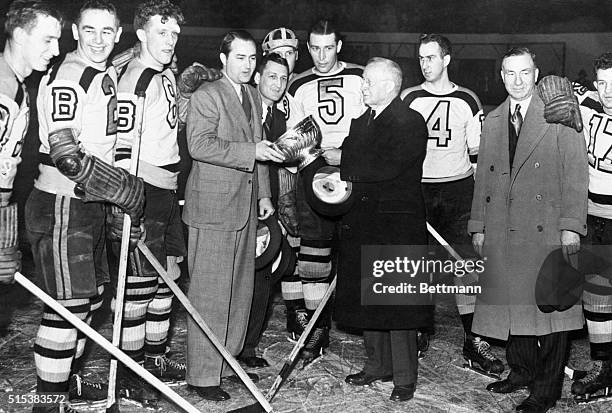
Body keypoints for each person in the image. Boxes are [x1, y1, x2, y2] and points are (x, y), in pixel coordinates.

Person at [26, 0, 145, 411]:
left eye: (107, 32)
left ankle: (67, 385)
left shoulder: (104, 71)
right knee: (68, 308)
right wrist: (119, 188)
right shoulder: (67, 74)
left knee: (91, 300)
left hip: (89, 204)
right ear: (75, 32)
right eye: (89, 31)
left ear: (118, 34)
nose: (99, 40)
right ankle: (47, 402)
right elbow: (67, 154)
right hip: (63, 201)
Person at [468, 47, 587, 412]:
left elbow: (575, 173)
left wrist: (571, 227)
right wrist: (478, 225)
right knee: (511, 303)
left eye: (524, 73)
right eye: (509, 73)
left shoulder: (558, 112)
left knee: (550, 313)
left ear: (536, 74)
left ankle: (546, 389)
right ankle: (521, 371)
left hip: (546, 228)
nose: (517, 81)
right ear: (500, 75)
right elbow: (482, 181)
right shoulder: (494, 118)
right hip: (504, 229)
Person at [183, 29, 284, 402]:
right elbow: (199, 145)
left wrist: (265, 195)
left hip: (245, 206)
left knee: (239, 292)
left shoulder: (252, 97)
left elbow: (261, 147)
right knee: (210, 294)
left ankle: (226, 365)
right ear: (223, 58)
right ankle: (202, 375)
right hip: (212, 207)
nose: (247, 65)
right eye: (240, 57)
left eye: (252, 58)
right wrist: (251, 152)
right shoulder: (208, 95)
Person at [326, 57, 431, 402]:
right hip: (364, 221)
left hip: (396, 224)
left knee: (399, 302)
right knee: (369, 297)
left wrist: (344, 161)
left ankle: (404, 377)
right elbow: (360, 164)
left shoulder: (410, 121)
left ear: (389, 86)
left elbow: (386, 166)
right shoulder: (361, 122)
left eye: (369, 82)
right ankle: (376, 365)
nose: (363, 86)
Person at [401, 33, 503, 375]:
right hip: (419, 191)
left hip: (458, 190)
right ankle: (416, 330)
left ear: (446, 59)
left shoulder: (467, 98)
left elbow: (477, 155)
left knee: (466, 268)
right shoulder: (409, 97)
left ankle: (474, 341)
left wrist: (479, 199)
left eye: (431, 57)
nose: (424, 64)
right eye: (420, 58)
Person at [286, 19, 366, 363]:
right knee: (314, 251)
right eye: (315, 48)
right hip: (314, 171)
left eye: (328, 48)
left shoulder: (361, 77)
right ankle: (317, 327)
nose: (322, 55)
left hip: (355, 169)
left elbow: (373, 124)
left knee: (363, 250)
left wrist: (349, 154)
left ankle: (374, 326)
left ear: (340, 47)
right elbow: (293, 139)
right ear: (308, 48)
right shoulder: (298, 83)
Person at [547, 53, 612, 401]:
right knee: (597, 297)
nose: (608, 92)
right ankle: (605, 367)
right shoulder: (585, 105)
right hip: (592, 216)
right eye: (602, 83)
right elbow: (551, 89)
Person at [0, 0, 61, 322]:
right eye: (47, 40)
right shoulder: (3, 86)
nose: (55, 49)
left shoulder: (20, 87)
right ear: (20, 35)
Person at [238, 52, 291, 368]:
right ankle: (235, 347)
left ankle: (247, 347)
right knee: (246, 278)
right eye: (271, 76)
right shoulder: (246, 108)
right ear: (257, 77)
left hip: (266, 206)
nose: (278, 83)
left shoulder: (278, 116)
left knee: (264, 276)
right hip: (244, 203)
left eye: (283, 78)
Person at [261, 27, 305, 339]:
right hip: (255, 182)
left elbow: (300, 146)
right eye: (279, 53)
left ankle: (294, 312)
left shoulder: (293, 97)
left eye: (291, 53)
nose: (285, 59)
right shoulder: (251, 92)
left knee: (290, 249)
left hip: (285, 180)